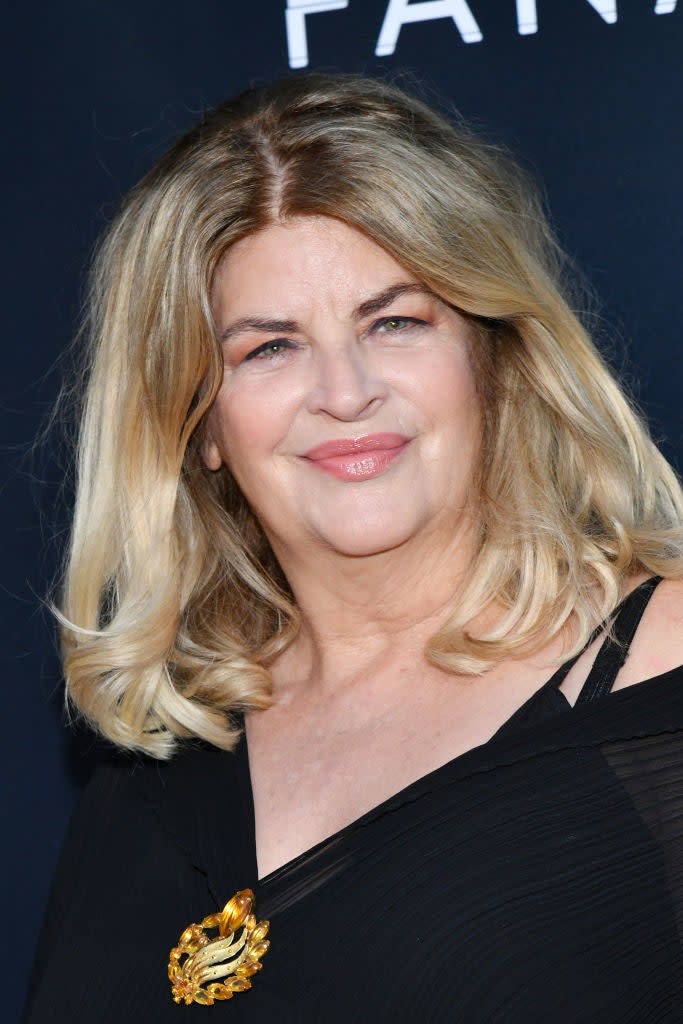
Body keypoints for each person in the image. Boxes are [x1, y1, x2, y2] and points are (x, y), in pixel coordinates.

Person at [25, 73, 683, 1022]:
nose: (344, 391)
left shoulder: (659, 668)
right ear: (200, 423)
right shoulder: (170, 748)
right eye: (269, 348)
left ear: (492, 361)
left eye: (395, 322)